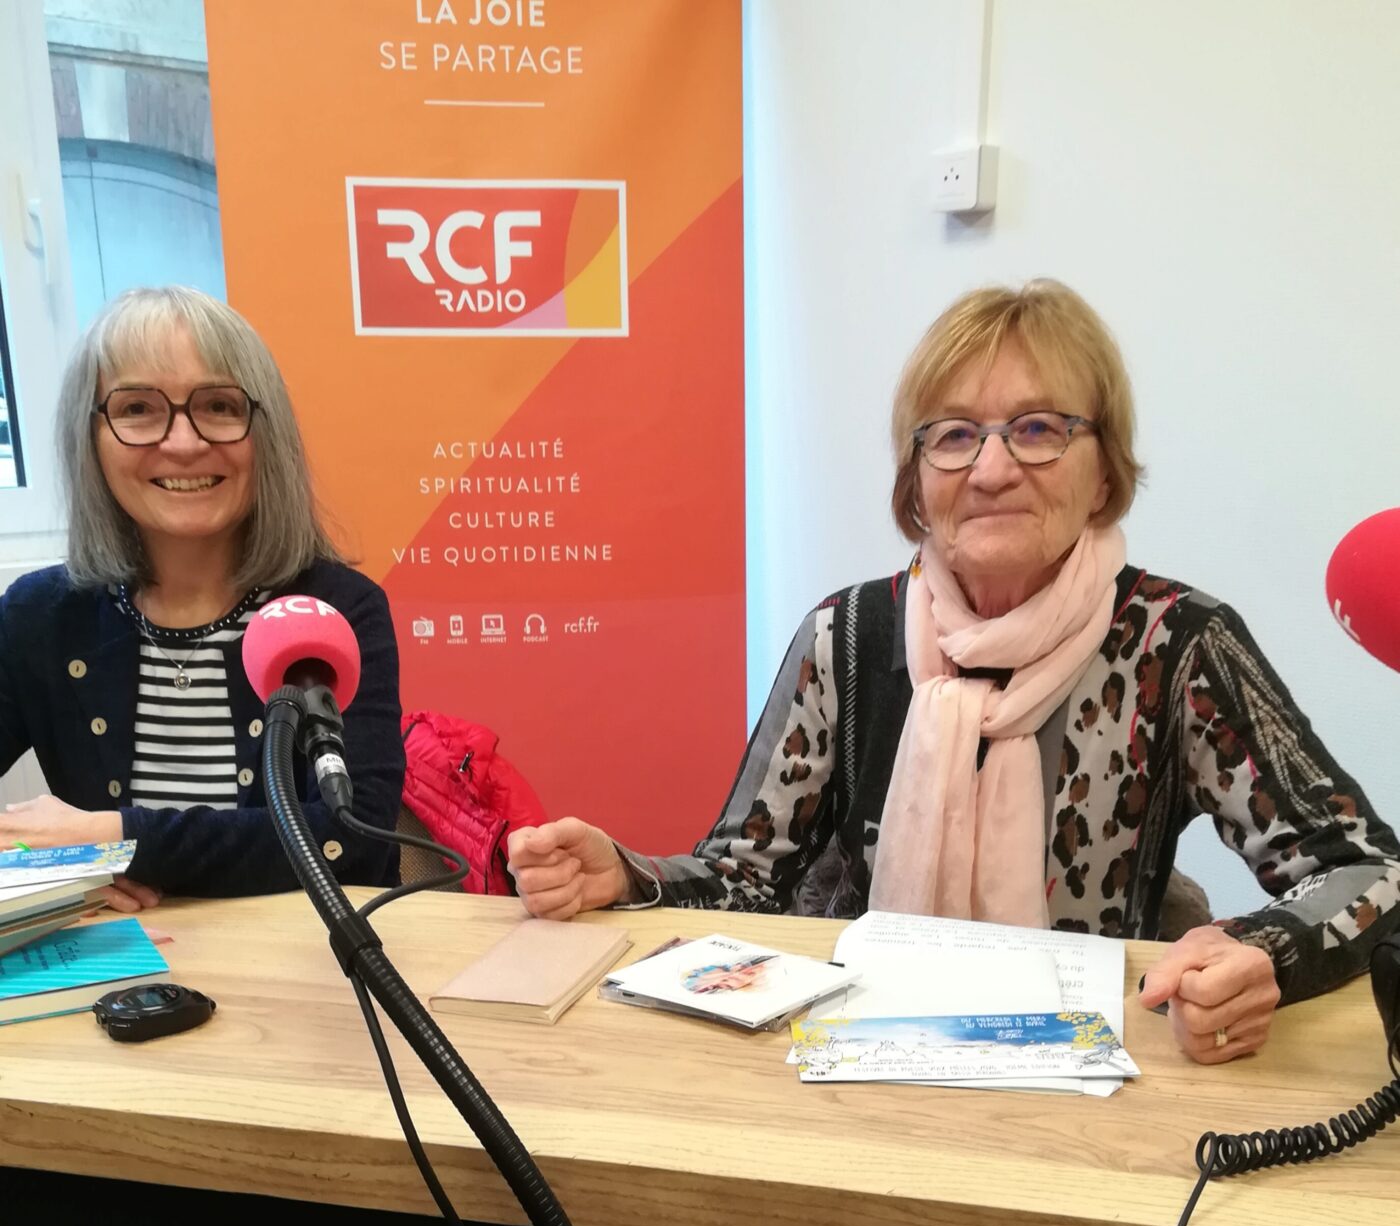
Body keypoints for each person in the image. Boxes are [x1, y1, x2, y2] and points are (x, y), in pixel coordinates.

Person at [508, 279, 1400, 1065]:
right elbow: (748, 876)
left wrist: (1264, 953)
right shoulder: (846, 636)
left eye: (1039, 429)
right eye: (955, 436)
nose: (993, 469)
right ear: (916, 483)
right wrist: (625, 875)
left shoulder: (1178, 642)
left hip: (1095, 1073)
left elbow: (1368, 869)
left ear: (1103, 474)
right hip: (858, 1048)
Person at [0, 286, 404, 906]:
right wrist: (47, 867)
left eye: (218, 405)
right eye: (137, 408)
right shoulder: (41, 616)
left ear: (266, 433)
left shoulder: (337, 611)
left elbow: (352, 839)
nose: (184, 443)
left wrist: (116, 841)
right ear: (90, 438)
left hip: (308, 954)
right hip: (125, 954)